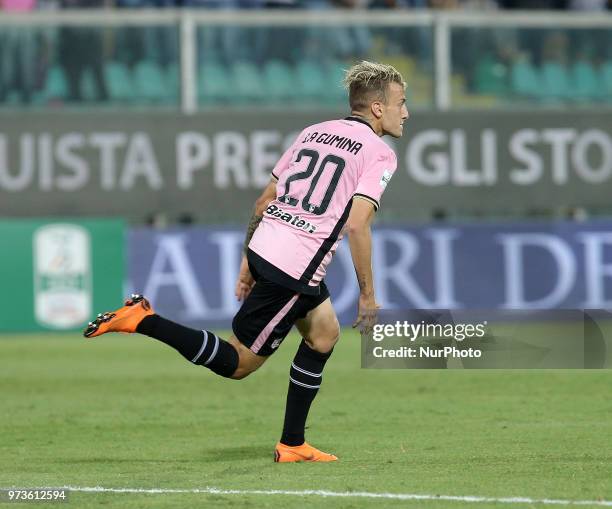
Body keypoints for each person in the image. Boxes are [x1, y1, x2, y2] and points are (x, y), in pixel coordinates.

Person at [84, 60, 409, 463]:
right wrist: (368, 295)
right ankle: (142, 319)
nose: (406, 112)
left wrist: (247, 260)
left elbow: (263, 201)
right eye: (401, 102)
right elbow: (358, 226)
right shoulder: (380, 153)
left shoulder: (314, 132)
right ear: (377, 108)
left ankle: (293, 444)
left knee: (323, 333)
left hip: (266, 245)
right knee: (237, 362)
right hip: (295, 268)